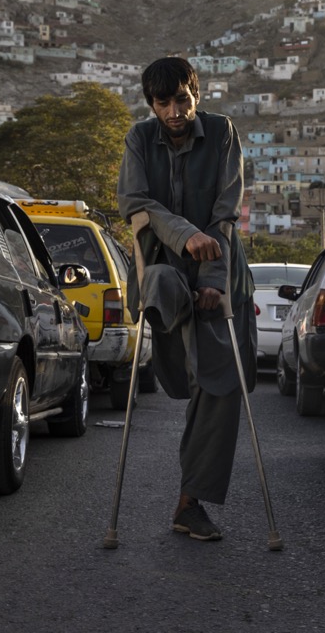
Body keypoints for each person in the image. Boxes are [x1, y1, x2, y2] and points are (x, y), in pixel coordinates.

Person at [117, 57, 257, 542]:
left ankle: (189, 502)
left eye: (182, 99)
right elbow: (135, 202)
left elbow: (226, 211)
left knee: (219, 387)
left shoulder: (222, 133)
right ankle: (174, 339)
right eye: (163, 103)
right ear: (151, 104)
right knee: (167, 305)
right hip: (163, 274)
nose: (174, 111)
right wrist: (184, 235)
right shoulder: (139, 138)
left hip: (221, 279)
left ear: (196, 94)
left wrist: (214, 278)